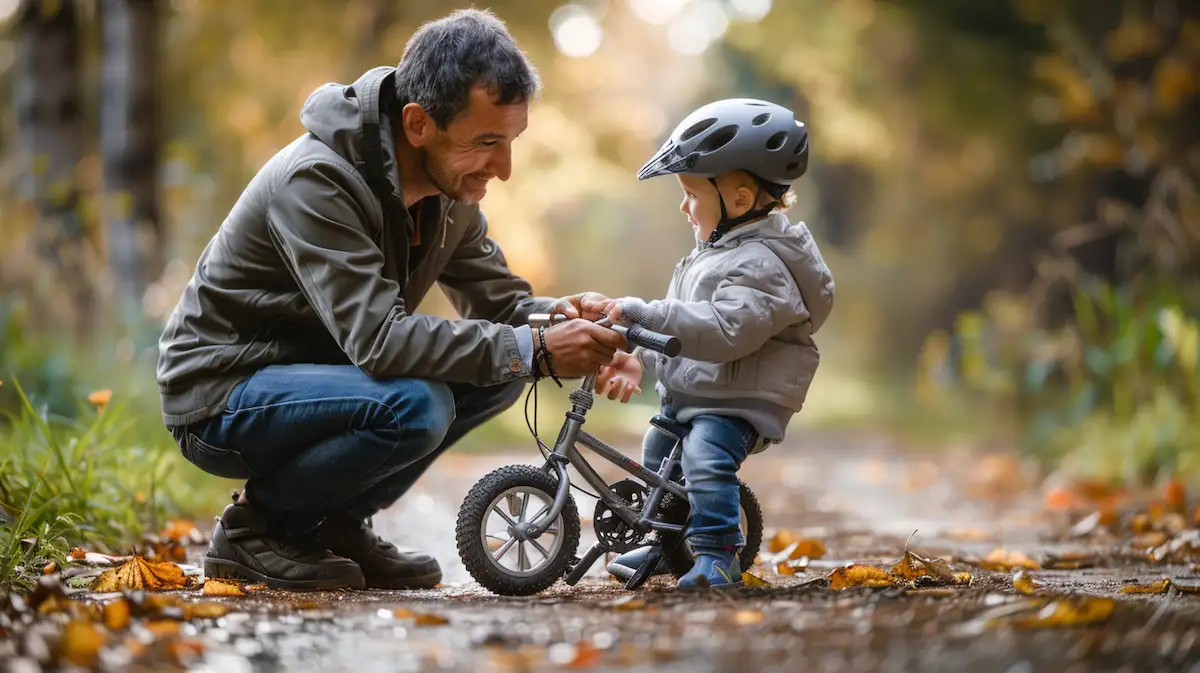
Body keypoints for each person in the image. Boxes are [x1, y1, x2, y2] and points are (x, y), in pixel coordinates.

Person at [155, 9, 625, 592]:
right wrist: (535, 347)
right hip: (223, 393)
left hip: (320, 378)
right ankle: (258, 530)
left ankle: (335, 522)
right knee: (418, 404)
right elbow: (378, 340)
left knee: (501, 370)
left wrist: (577, 324)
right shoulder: (316, 181)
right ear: (418, 123)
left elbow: (503, 308)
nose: (503, 168)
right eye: (486, 143)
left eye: (510, 143)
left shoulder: (448, 194)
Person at [589, 98, 835, 588]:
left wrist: (644, 310)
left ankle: (718, 553)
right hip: (701, 393)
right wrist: (641, 359)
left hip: (737, 402)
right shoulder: (714, 253)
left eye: (691, 194)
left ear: (740, 201)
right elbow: (683, 333)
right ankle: (665, 544)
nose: (684, 207)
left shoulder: (763, 264)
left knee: (703, 458)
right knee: (659, 454)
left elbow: (722, 331)